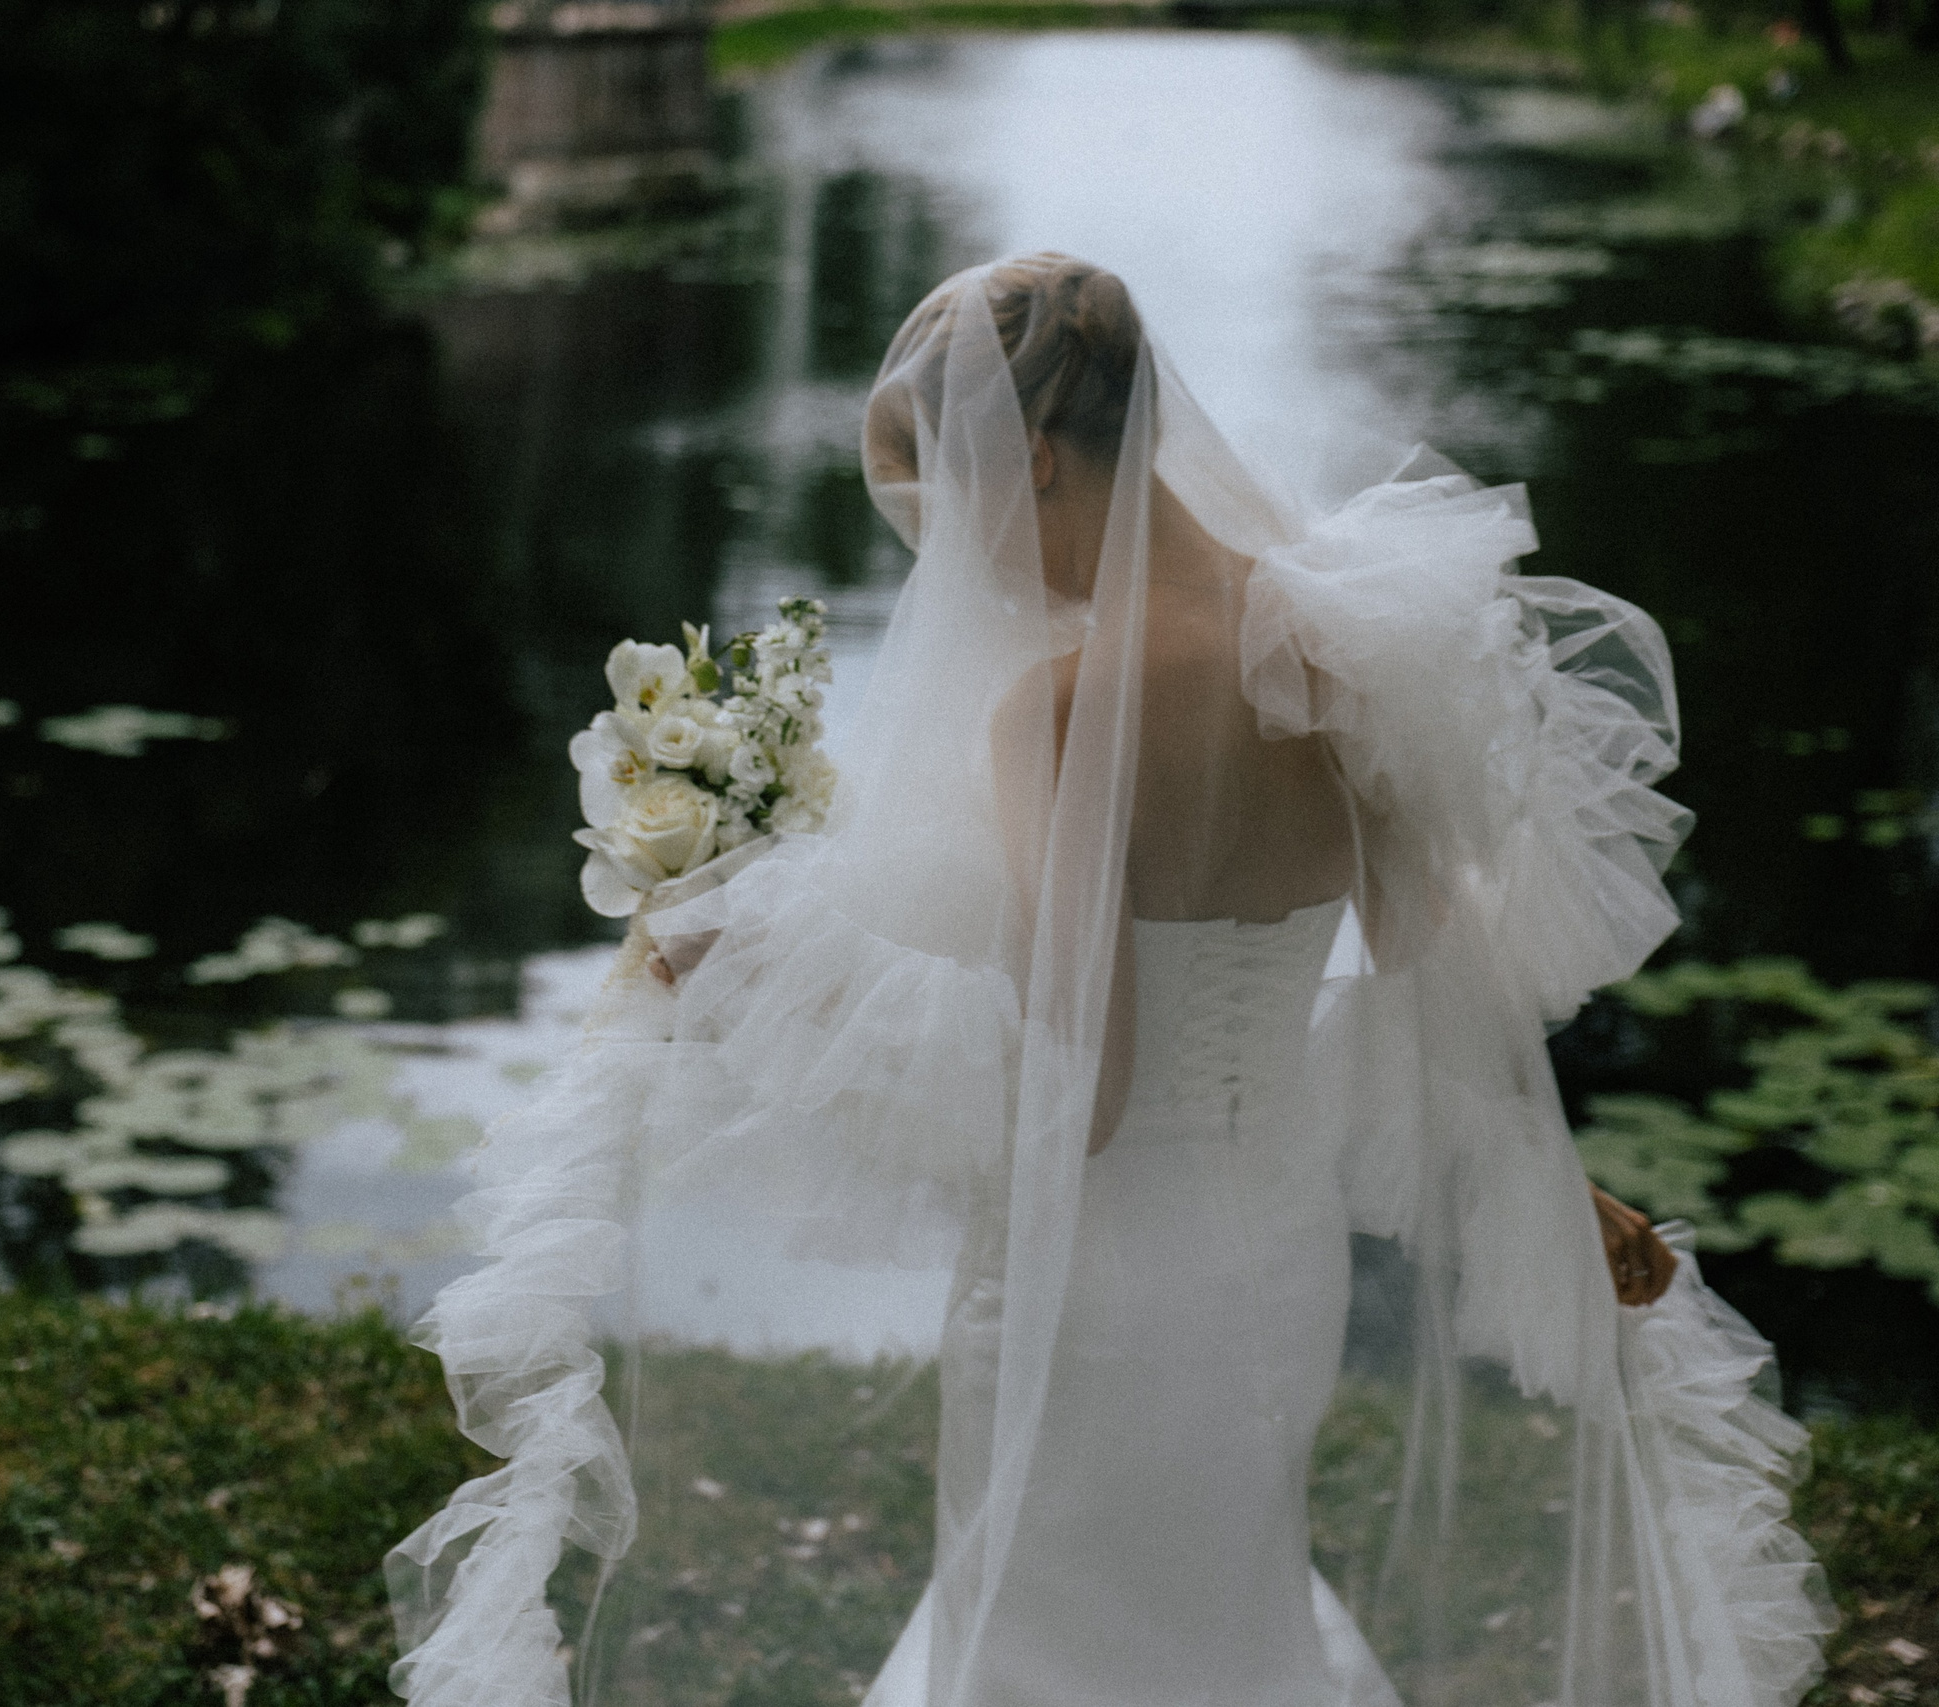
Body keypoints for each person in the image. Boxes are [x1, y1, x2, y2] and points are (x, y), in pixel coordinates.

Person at [387, 255, 1832, 1707]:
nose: (960, 569)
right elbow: (1430, 977)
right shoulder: (1335, 647)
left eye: (950, 518)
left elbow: (1082, 1087)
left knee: (1047, 1641)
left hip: (1094, 1283)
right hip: (1277, 1247)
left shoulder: (1063, 710)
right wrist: (1555, 1193)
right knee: (1227, 1613)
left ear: (1027, 462)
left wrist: (762, 977)